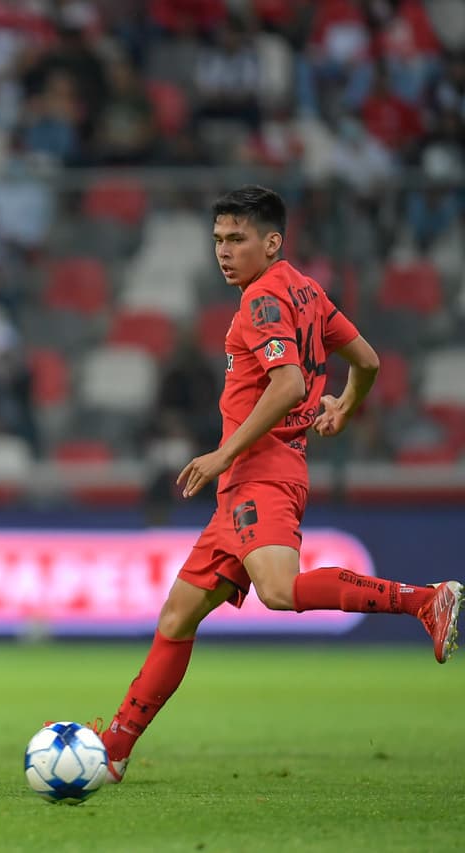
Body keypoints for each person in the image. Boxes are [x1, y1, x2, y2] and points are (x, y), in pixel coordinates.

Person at [94, 186, 462, 783]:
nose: (224, 251)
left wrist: (223, 453)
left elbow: (288, 384)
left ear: (272, 242)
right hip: (251, 481)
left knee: (279, 590)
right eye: (218, 239)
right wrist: (344, 406)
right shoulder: (305, 290)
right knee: (177, 617)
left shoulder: (262, 299)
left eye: (237, 239)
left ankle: (425, 599)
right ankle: (114, 748)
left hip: (261, 474)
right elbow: (368, 362)